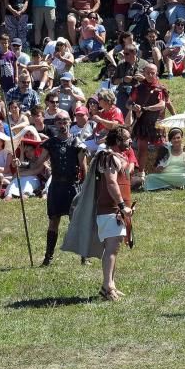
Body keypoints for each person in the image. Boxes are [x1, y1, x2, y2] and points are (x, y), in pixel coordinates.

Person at [63, 127, 134, 301]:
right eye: (127, 139)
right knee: (111, 248)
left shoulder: (116, 157)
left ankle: (110, 285)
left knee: (114, 248)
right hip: (111, 209)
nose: (130, 141)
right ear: (118, 141)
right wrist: (121, 205)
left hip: (117, 209)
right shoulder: (109, 157)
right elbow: (111, 183)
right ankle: (107, 287)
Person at [39, 111, 87, 266]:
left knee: (77, 222)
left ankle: (83, 257)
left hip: (73, 186)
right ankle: (48, 257)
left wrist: (83, 188)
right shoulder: (50, 143)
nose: (62, 124)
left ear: (69, 122)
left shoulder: (77, 143)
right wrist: (21, 165)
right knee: (54, 221)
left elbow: (84, 169)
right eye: (59, 121)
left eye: (65, 121)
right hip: (56, 187)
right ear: (55, 124)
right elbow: (38, 163)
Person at [144, 127, 185, 191]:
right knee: (149, 178)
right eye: (173, 138)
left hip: (181, 176)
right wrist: (158, 169)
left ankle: (166, 186)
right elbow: (157, 168)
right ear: (170, 140)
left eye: (178, 138)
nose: (176, 140)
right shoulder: (165, 149)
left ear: (182, 138)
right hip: (166, 176)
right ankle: (172, 186)